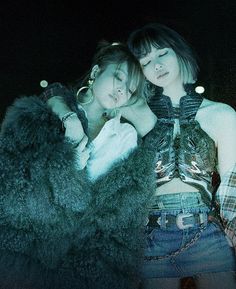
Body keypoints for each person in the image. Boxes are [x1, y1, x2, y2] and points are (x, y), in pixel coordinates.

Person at [0, 41, 158, 289]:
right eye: (118, 77)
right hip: (36, 249)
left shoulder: (126, 135)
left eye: (129, 90)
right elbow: (15, 182)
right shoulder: (49, 114)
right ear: (96, 73)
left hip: (88, 260)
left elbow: (120, 209)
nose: (121, 91)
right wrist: (66, 159)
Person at [126, 23, 236, 289]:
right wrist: (59, 102)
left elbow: (233, 180)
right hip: (151, 237)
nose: (157, 65)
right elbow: (86, 105)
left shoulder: (221, 114)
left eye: (162, 53)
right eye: (145, 61)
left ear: (178, 51)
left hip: (207, 234)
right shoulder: (133, 113)